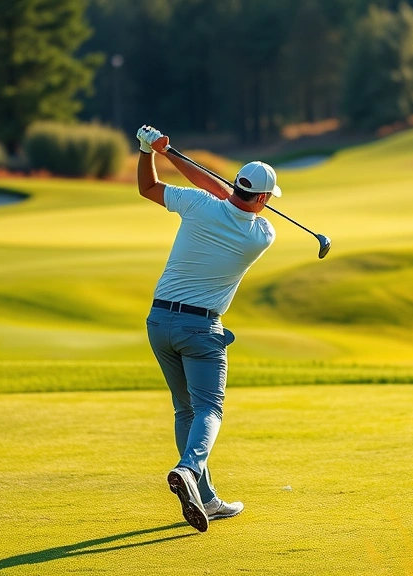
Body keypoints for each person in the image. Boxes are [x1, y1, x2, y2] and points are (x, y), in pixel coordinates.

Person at [134, 125, 280, 532]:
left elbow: (149, 189)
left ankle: (209, 498)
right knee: (209, 408)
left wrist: (152, 151)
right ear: (265, 199)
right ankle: (188, 468)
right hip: (201, 330)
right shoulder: (261, 235)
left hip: (159, 321)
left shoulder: (198, 203)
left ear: (236, 185)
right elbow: (229, 197)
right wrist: (170, 153)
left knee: (185, 409)